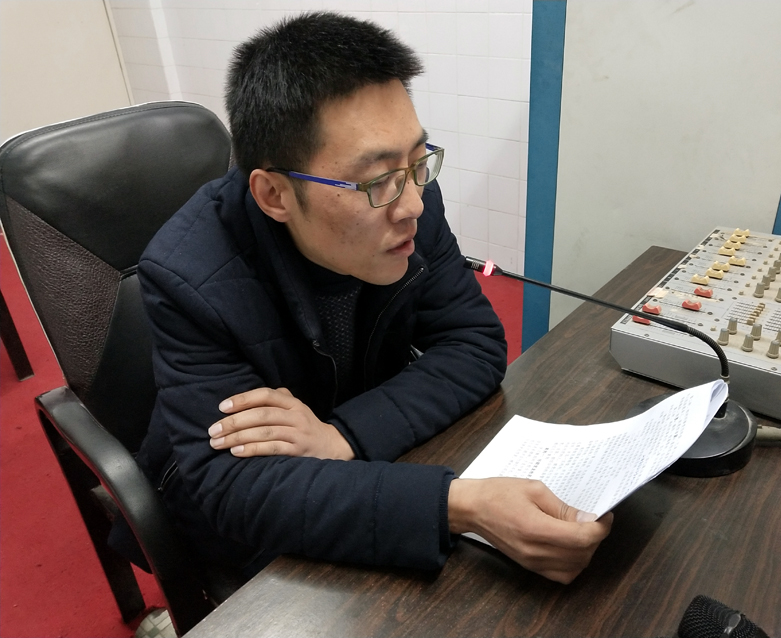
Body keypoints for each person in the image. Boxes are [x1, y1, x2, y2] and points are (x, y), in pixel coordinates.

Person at [131, 11, 612, 585]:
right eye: (376, 179)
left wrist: (341, 436)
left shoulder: (410, 201)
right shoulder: (187, 274)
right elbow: (238, 490)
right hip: (247, 538)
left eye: (418, 159)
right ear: (275, 194)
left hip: (360, 453)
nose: (411, 203)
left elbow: (474, 343)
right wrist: (458, 506)